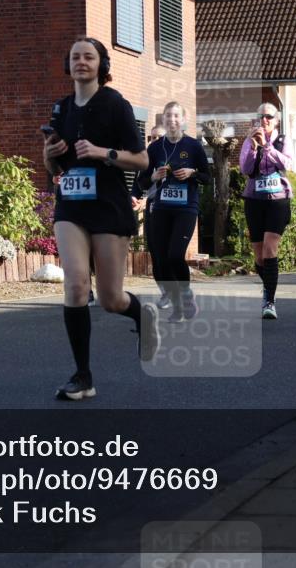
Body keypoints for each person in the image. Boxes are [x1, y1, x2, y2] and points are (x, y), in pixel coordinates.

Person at [42, 36, 159, 400]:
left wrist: (102, 152)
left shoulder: (115, 104)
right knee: (76, 285)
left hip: (109, 205)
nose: (81, 62)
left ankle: (143, 315)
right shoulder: (61, 109)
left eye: (88, 56)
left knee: (111, 299)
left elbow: (141, 160)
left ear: (101, 64)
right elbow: (53, 168)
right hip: (71, 206)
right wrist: (49, 153)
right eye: (75, 56)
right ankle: (83, 376)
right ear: (69, 63)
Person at [137, 102, 211, 323]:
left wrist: (192, 172)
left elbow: (207, 177)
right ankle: (179, 307)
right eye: (168, 116)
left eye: (176, 116)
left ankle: (186, 295)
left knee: (175, 255)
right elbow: (141, 181)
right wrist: (154, 177)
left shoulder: (194, 146)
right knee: (161, 258)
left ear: (184, 119)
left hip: (186, 208)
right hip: (161, 208)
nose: (172, 120)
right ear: (164, 120)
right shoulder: (155, 148)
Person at [239, 102, 295, 319]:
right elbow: (245, 169)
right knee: (259, 255)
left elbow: (288, 165)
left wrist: (268, 147)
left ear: (276, 120)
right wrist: (254, 148)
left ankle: (269, 301)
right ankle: (269, 289)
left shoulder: (282, 140)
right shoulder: (249, 140)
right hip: (254, 199)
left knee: (270, 248)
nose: (264, 120)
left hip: (278, 200)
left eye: (269, 117)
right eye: (261, 116)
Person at [132, 126, 169, 309]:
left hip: (171, 209)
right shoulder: (146, 159)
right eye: (151, 137)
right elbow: (139, 183)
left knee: (169, 252)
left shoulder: (171, 156)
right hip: (153, 206)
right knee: (155, 251)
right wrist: (135, 196)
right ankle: (165, 292)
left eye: (159, 137)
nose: (154, 140)